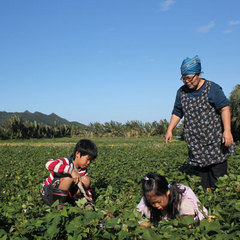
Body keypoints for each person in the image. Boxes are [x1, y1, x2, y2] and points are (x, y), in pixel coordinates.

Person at [165, 55, 235, 190]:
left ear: (199, 74)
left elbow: (225, 108)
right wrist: (170, 129)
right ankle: (205, 209)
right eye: (184, 78)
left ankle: (219, 207)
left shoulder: (212, 88)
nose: (187, 81)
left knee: (219, 182)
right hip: (196, 145)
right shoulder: (182, 92)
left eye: (189, 78)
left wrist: (227, 130)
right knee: (202, 184)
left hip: (215, 143)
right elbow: (177, 112)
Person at [40, 139, 98, 208]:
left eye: (90, 160)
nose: (88, 163)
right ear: (78, 154)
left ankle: (75, 202)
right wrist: (71, 171)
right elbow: (48, 164)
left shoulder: (83, 170)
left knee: (86, 180)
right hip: (49, 193)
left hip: (65, 195)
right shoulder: (66, 161)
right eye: (87, 159)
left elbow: (86, 189)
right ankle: (58, 207)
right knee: (68, 179)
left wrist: (89, 201)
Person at [137, 172, 208, 227]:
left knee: (185, 205)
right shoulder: (149, 195)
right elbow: (137, 211)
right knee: (146, 208)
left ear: (167, 192)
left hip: (179, 214)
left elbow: (201, 211)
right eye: (152, 203)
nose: (156, 205)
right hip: (164, 218)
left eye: (158, 202)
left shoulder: (184, 191)